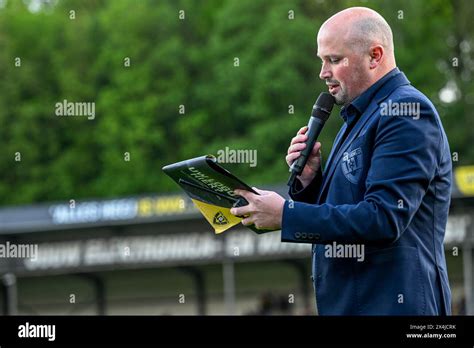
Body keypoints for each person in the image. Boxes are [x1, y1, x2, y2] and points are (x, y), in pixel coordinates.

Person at [230, 7, 452, 315]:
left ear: (375, 56)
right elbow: (348, 208)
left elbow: (383, 218)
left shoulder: (406, 112)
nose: (323, 72)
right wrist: (311, 182)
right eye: (322, 60)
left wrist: (287, 215)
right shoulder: (358, 116)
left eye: (334, 60)